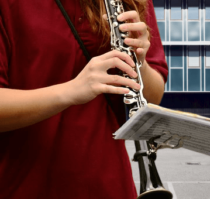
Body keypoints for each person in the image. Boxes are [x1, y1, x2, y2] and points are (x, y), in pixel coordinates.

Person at [0, 0, 168, 198]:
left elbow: (154, 96)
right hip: (26, 186)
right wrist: (71, 91)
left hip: (111, 186)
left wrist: (139, 63)